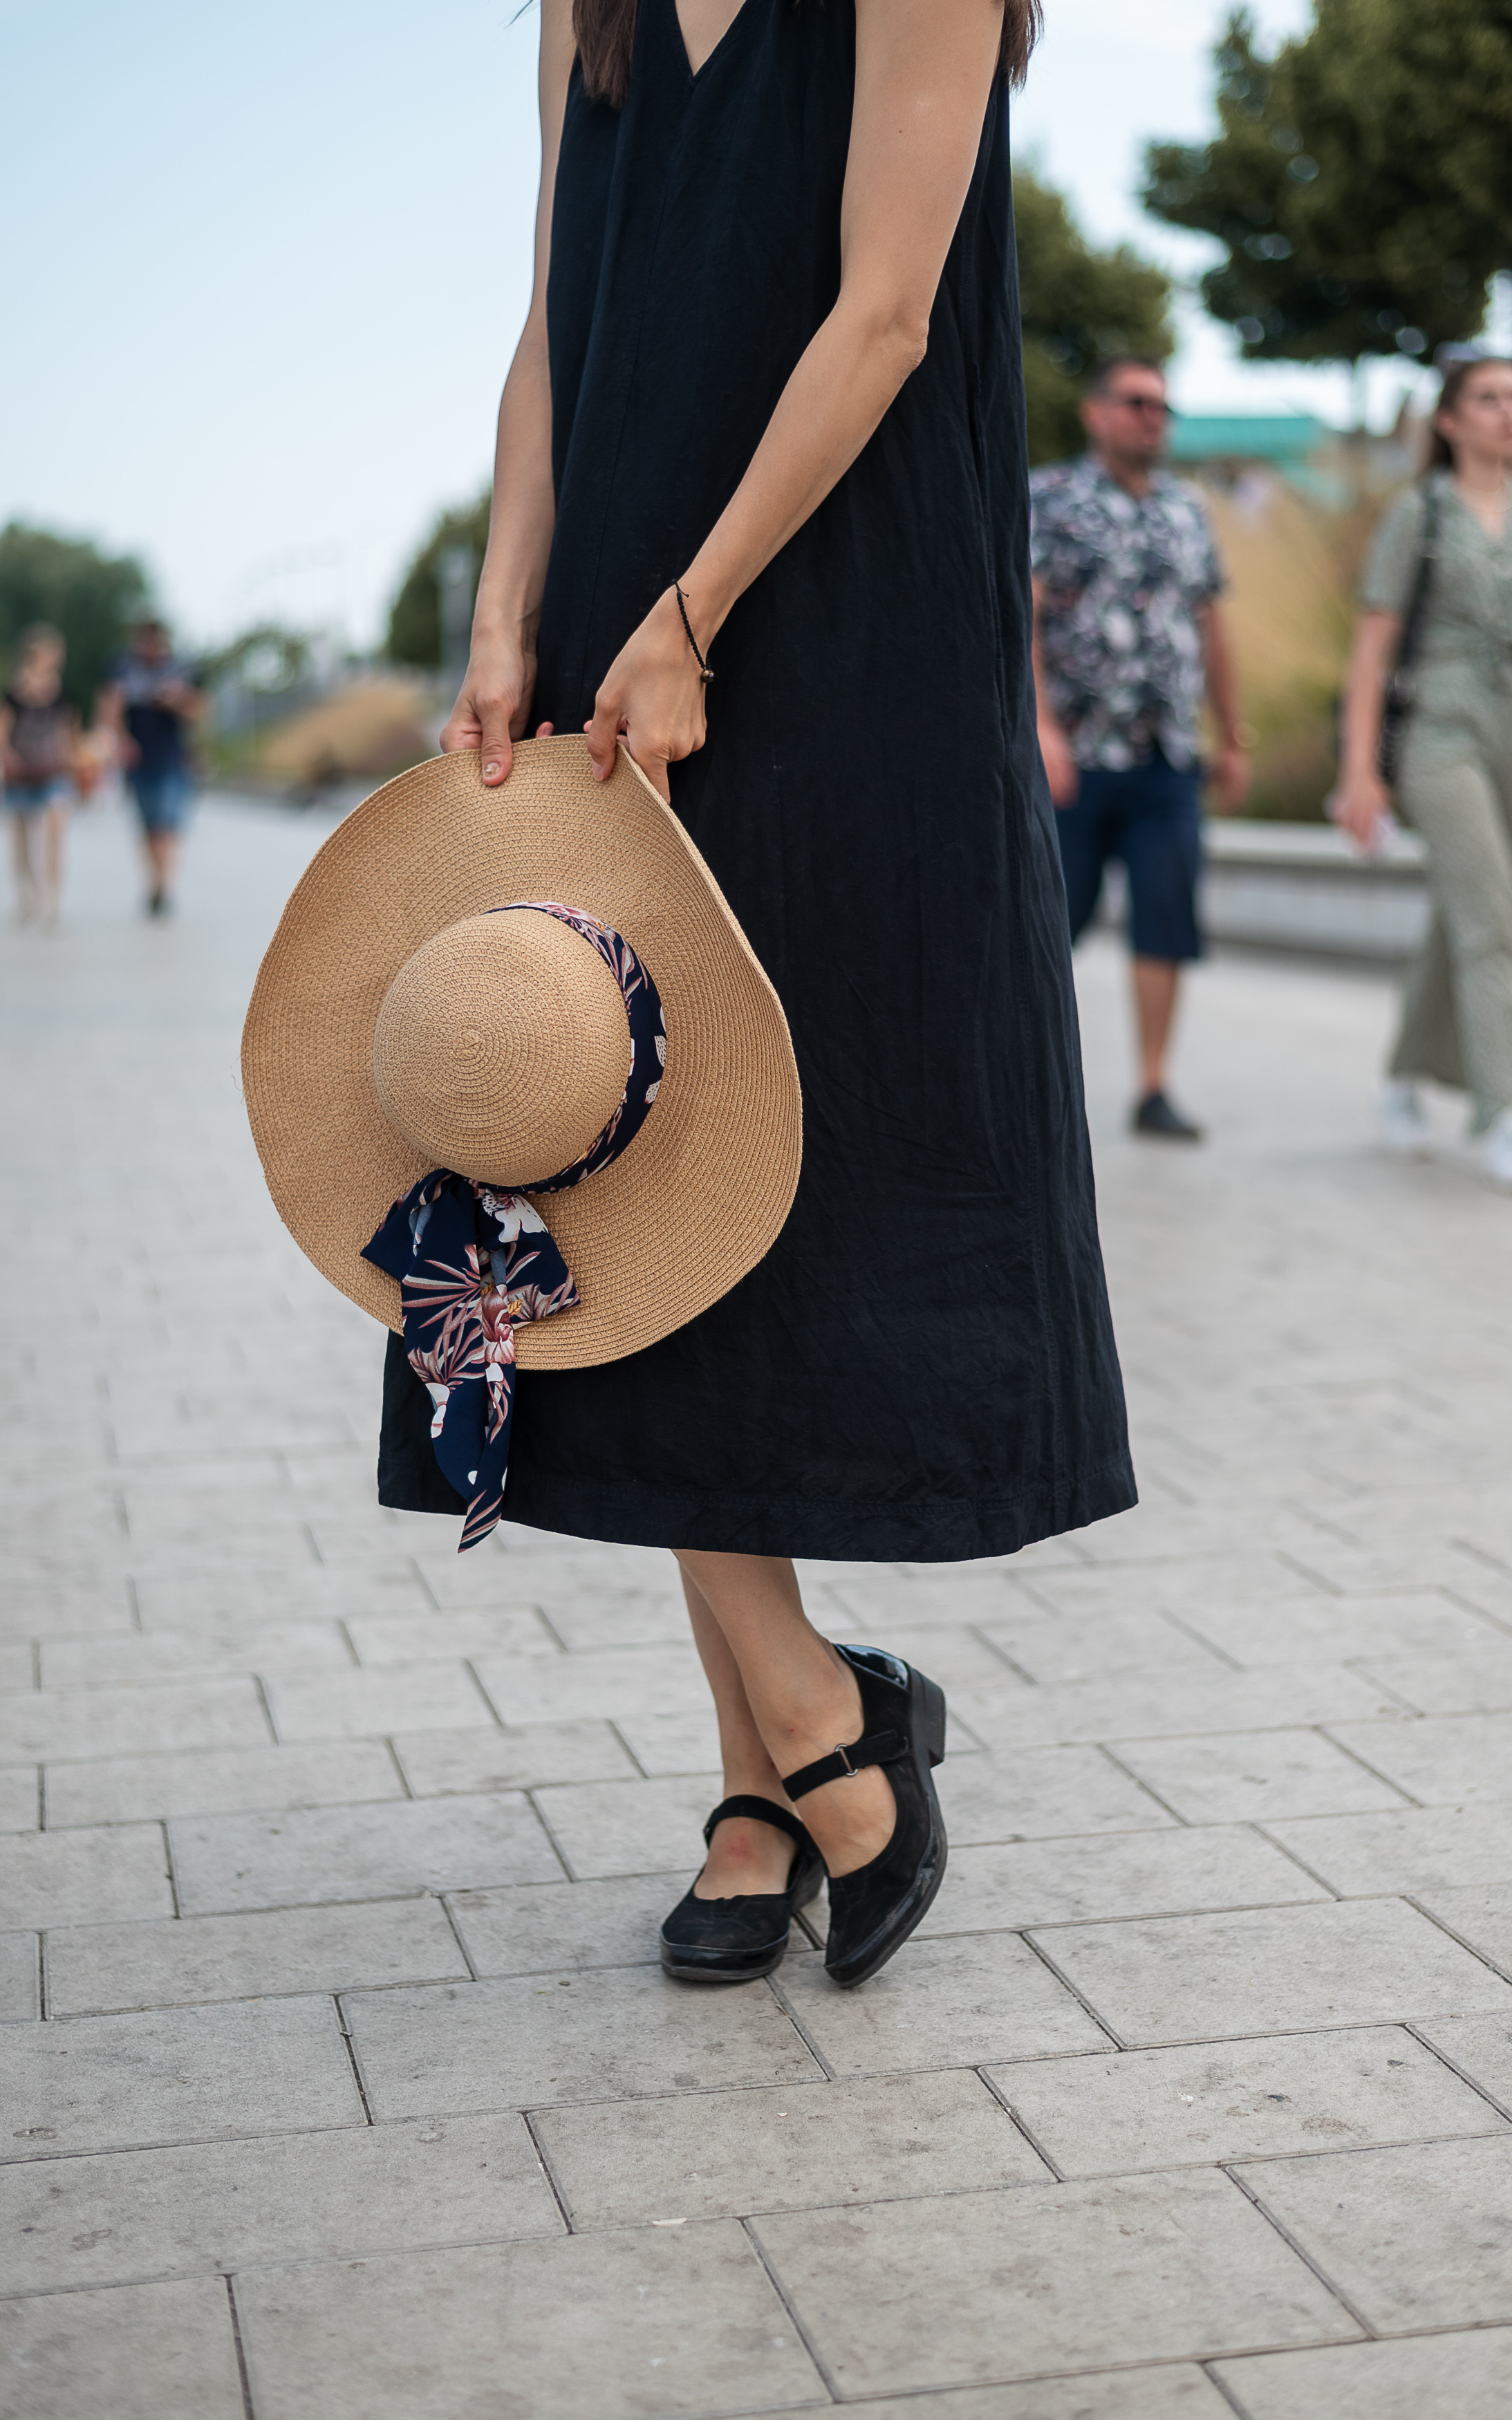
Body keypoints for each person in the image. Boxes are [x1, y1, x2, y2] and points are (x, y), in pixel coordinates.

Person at [378, 0, 1135, 1987]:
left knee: (786, 1173)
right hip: (618, 624)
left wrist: (693, 609)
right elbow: (561, 322)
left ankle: (777, 1756)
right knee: (626, 1169)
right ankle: (797, 1735)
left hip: (836, 606)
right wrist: (503, 615)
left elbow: (888, 311)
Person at [1336, 354, 1512, 1193]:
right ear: (1449, 421)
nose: (1510, 413)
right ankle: (1510, 1112)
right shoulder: (1415, 516)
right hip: (1437, 726)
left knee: (1470, 902)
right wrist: (1357, 770)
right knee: (1493, 912)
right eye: (1488, 399)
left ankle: (1400, 1074)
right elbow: (1370, 654)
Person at [1029, 357, 1250, 1142]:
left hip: (1165, 756)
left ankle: (1152, 1085)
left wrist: (1230, 732)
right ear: (1094, 413)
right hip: (1075, 759)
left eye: (1161, 405)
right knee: (1053, 918)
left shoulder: (1186, 511)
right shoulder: (1050, 499)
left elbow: (1209, 624)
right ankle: (1027, 1076)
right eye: (1134, 402)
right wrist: (1041, 729)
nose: (1150, 416)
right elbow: (1022, 617)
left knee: (1166, 914)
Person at [100, 619, 205, 917]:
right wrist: (120, 740)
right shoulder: (122, 668)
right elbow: (109, 705)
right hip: (138, 758)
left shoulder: (180, 669)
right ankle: (157, 882)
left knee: (167, 823)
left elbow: (199, 709)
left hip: (172, 757)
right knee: (148, 825)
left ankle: (163, 886)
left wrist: (175, 700)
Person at [1, 624, 79, 930]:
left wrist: (76, 764)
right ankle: (27, 893)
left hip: (54, 772)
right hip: (21, 774)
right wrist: (9, 758)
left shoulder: (63, 693)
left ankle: (52, 898)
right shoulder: (14, 692)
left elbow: (70, 732)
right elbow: (3, 732)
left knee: (54, 833)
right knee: (21, 839)